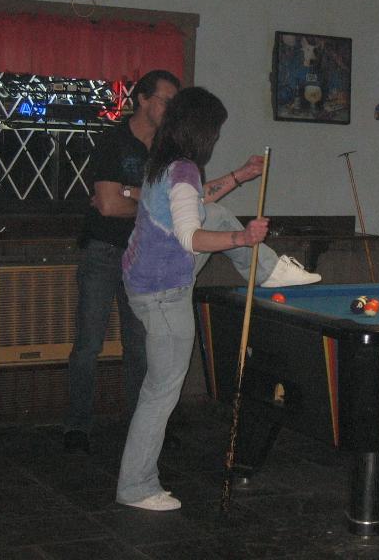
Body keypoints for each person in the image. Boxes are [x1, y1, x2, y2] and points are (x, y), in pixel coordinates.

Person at [64, 70, 319, 455]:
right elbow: (108, 204)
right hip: (106, 252)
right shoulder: (114, 141)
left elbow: (192, 201)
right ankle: (78, 426)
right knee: (88, 344)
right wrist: (150, 206)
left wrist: (238, 176)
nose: (171, 107)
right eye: (165, 100)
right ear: (142, 100)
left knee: (140, 350)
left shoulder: (169, 151)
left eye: (175, 102)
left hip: (146, 255)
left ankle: (143, 429)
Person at [116, 86, 269, 510]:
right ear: (201, 130)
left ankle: (271, 270)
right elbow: (191, 237)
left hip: (145, 283)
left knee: (214, 212)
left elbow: (196, 204)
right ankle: (136, 487)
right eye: (215, 129)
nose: (216, 137)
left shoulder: (164, 163)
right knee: (160, 393)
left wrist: (239, 176)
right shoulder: (182, 169)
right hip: (164, 293)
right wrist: (243, 238)